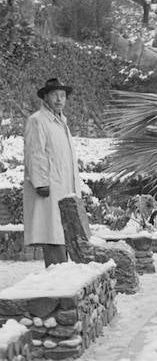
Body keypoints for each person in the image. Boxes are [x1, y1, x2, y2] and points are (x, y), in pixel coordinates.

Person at [23, 77, 82, 267]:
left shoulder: (62, 123)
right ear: (45, 98)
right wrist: (41, 183)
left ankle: (65, 281)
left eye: (62, 95)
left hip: (66, 188)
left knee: (66, 234)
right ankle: (57, 285)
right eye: (54, 95)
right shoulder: (37, 121)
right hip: (50, 189)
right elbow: (35, 153)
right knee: (53, 234)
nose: (59, 99)